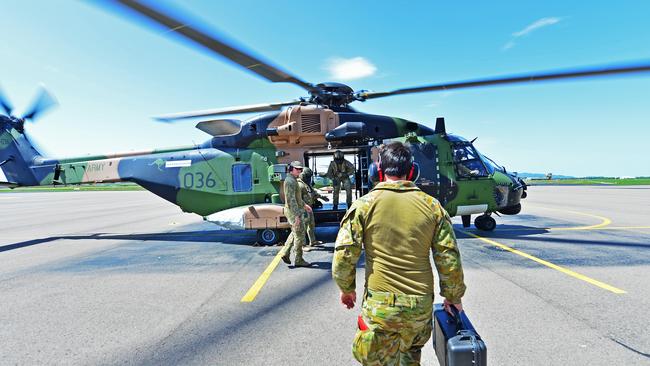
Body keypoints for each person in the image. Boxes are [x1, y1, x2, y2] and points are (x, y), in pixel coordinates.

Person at [332, 142, 466, 365]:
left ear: (378, 170)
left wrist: (346, 289)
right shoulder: (433, 207)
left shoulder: (363, 206)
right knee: (410, 358)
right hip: (419, 309)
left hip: (381, 310)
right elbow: (448, 258)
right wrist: (453, 297)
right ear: (413, 171)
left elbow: (344, 255)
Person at [279, 161, 312, 267]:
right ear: (291, 169)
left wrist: (304, 205)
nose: (300, 171)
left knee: (295, 233)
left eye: (300, 169)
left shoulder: (293, 180)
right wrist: (297, 215)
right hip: (293, 212)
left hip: (295, 210)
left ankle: (285, 253)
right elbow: (291, 200)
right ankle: (298, 259)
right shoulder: (290, 181)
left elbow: (297, 198)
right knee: (299, 235)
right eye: (297, 169)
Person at [299, 167, 328, 247]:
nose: (309, 178)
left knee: (311, 225)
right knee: (303, 228)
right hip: (303, 210)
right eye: (308, 176)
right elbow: (297, 199)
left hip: (309, 209)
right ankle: (303, 245)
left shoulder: (307, 185)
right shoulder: (299, 185)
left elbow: (313, 193)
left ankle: (313, 241)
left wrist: (322, 197)